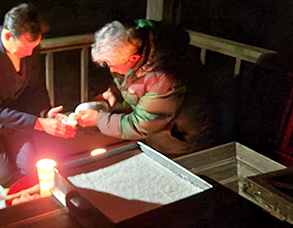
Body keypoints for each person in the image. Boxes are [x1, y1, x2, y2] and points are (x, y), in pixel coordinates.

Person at [0, 3, 76, 187]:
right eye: (25, 47)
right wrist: (40, 124)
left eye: (34, 46)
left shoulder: (30, 47)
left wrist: (45, 113)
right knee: (3, 176)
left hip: (13, 114)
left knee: (30, 167)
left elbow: (35, 87)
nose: (29, 52)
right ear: (7, 35)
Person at [77, 20, 219, 157]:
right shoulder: (134, 43)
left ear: (134, 59)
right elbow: (129, 81)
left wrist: (99, 120)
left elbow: (141, 125)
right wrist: (111, 94)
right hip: (157, 132)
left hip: (179, 140)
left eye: (111, 64)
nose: (111, 69)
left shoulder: (164, 77)